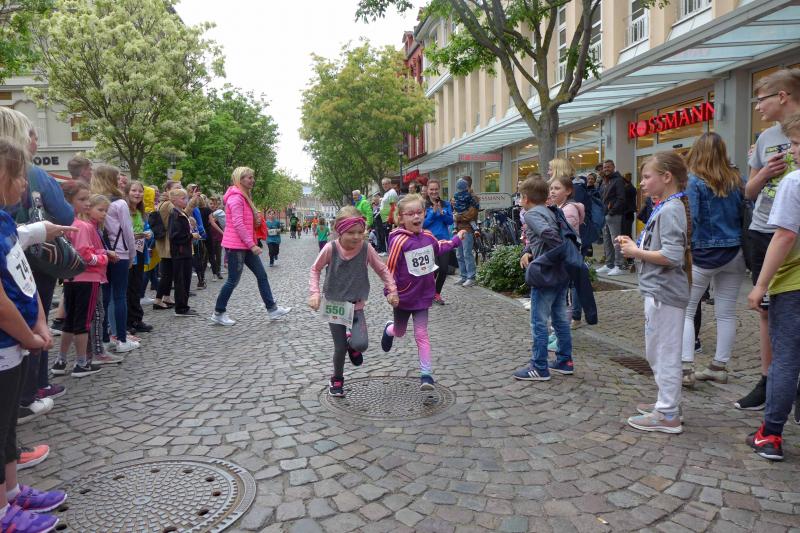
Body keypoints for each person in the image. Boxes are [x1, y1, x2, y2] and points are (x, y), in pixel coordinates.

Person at [0, 137, 67, 533]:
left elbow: (22, 277)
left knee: (8, 425)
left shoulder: (6, 221)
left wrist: (39, 322)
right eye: (19, 176)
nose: (26, 184)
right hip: (6, 345)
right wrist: (28, 334)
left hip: (15, 346)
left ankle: (10, 492)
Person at [737, 68, 800, 412]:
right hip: (764, 230)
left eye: (761, 99)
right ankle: (768, 381)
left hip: (793, 233)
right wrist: (764, 172)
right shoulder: (764, 138)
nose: (757, 106)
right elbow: (748, 191)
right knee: (765, 310)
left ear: (783, 96)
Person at [618, 152, 691, 434]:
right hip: (659, 291)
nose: (643, 183)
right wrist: (635, 247)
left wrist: (636, 252)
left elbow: (671, 255)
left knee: (664, 353)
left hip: (664, 293)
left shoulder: (671, 209)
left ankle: (668, 413)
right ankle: (668, 402)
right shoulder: (667, 206)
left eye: (647, 177)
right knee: (657, 352)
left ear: (667, 177)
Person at [744, 112, 800, 461]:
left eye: (796, 143)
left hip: (792, 283)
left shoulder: (793, 182)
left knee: (786, 359)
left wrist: (760, 285)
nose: (791, 151)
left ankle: (771, 434)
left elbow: (784, 235)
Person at [309, 207, 399, 397]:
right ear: (340, 231)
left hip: (356, 303)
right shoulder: (331, 248)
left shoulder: (366, 248)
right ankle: (337, 379)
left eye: (360, 232)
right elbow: (315, 269)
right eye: (351, 232)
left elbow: (382, 269)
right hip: (334, 304)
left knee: (361, 345)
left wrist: (392, 289)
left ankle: (353, 344)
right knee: (340, 347)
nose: (357, 237)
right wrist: (315, 293)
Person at [679, 133, 746, 387]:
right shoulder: (736, 179)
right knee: (726, 313)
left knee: (686, 310)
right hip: (735, 252)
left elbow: (691, 218)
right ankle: (719, 365)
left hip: (703, 254)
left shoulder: (694, 181)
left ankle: (686, 367)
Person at [381, 194, 465, 390]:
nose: (416, 216)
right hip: (403, 297)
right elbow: (390, 269)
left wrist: (455, 240)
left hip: (423, 296)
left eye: (419, 212)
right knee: (400, 332)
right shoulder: (399, 241)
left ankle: (426, 375)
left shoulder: (428, 236)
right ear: (401, 218)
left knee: (421, 334)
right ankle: (389, 329)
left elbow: (439, 247)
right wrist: (390, 292)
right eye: (410, 214)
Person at [210, 167, 291, 326]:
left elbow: (244, 223)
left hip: (245, 245)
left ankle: (272, 309)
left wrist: (255, 222)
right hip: (237, 246)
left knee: (262, 275)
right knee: (232, 280)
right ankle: (218, 313)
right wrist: (252, 245)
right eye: (249, 177)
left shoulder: (244, 197)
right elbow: (238, 224)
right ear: (239, 179)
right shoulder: (236, 198)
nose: (252, 180)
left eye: (252, 177)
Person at [512, 177, 574, 381]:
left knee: (539, 322)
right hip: (560, 273)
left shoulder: (531, 215)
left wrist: (547, 257)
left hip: (546, 274)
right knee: (560, 319)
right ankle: (565, 361)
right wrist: (530, 250)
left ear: (525, 198)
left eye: (520, 196)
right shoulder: (549, 211)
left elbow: (549, 235)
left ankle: (539, 366)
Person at [55, 184, 119, 377]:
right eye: (82, 200)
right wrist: (103, 258)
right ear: (70, 201)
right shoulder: (82, 226)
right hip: (87, 278)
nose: (87, 203)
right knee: (83, 322)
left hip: (71, 278)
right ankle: (81, 363)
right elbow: (85, 254)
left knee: (70, 321)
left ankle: (61, 361)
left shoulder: (68, 223)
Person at [92, 165, 137, 354]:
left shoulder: (95, 201)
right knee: (119, 296)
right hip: (120, 253)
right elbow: (127, 231)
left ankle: (104, 338)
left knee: (105, 297)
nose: (121, 181)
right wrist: (132, 254)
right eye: (117, 177)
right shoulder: (120, 203)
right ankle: (121, 339)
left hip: (103, 252)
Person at [549, 175, 587, 329]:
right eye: (551, 188)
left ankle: (572, 318)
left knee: (570, 287)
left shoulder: (569, 209)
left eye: (557, 188)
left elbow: (563, 235)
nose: (552, 191)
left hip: (567, 253)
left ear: (568, 191)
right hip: (562, 254)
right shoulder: (558, 208)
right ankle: (568, 317)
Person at [125, 181, 153, 335]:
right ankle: (127, 322)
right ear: (127, 192)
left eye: (140, 191)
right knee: (127, 287)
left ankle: (136, 319)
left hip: (140, 251)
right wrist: (133, 235)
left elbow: (147, 228)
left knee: (136, 285)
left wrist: (149, 233)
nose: (137, 194)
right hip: (127, 253)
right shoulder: (124, 210)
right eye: (134, 190)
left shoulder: (141, 212)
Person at [168, 188, 198, 317]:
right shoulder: (175, 215)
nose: (186, 200)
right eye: (183, 198)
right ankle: (181, 308)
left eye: (186, 198)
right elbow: (175, 236)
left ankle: (184, 306)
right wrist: (191, 236)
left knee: (186, 280)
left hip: (185, 252)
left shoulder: (181, 213)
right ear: (175, 200)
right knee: (181, 281)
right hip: (180, 253)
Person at [423, 178, 454, 305]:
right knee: (434, 268)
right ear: (427, 190)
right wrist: (433, 213)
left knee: (444, 269)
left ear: (439, 189)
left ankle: (437, 294)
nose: (434, 192)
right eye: (431, 189)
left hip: (444, 240)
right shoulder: (423, 205)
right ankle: (428, 291)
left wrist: (441, 213)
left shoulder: (445, 204)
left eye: (436, 189)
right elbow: (422, 224)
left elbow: (450, 221)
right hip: (429, 240)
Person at [597, 159, 628, 276]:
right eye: (604, 167)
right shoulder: (606, 181)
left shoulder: (618, 180)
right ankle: (609, 264)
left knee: (616, 240)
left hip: (614, 215)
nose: (606, 169)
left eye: (608, 167)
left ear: (613, 167)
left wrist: (611, 212)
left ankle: (619, 265)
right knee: (607, 241)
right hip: (605, 215)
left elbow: (621, 198)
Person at [152, 181, 178, 311]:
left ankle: (166, 297)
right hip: (167, 241)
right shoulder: (168, 204)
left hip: (165, 240)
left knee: (169, 271)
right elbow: (182, 215)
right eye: (176, 188)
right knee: (167, 273)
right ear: (168, 189)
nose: (179, 190)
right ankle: (158, 300)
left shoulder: (164, 202)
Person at [452, 178, 479, 287]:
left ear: (468, 186)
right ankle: (463, 276)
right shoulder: (458, 196)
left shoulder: (473, 198)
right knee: (459, 254)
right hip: (459, 229)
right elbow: (455, 209)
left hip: (467, 229)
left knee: (467, 253)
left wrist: (457, 217)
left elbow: (470, 215)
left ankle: (471, 277)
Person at [378, 178, 398, 255]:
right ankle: (390, 252)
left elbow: (394, 207)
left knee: (389, 236)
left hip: (389, 219)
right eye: (383, 184)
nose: (384, 185)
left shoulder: (392, 192)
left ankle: (392, 253)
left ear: (390, 184)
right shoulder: (387, 193)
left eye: (386, 184)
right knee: (387, 236)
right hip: (385, 219)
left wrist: (390, 219)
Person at [207, 196, 224, 280]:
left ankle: (218, 271)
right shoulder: (207, 212)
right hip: (210, 237)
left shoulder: (220, 213)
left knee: (218, 255)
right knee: (210, 256)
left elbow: (224, 223)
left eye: (214, 204)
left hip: (219, 237)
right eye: (211, 203)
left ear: (217, 205)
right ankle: (213, 270)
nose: (212, 205)